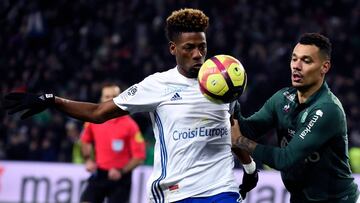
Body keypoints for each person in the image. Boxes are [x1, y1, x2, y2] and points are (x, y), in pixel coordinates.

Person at [3, 8, 258, 202]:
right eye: (189, 47)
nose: (197, 54)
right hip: (174, 192)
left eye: (202, 47)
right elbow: (98, 113)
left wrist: (249, 167)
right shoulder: (158, 85)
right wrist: (53, 100)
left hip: (220, 188)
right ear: (173, 49)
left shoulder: (224, 82)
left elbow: (232, 133)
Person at [233, 33, 360, 202]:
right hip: (300, 198)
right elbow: (249, 129)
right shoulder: (282, 98)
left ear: (325, 67)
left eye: (306, 61)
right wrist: (231, 99)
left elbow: (286, 159)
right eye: (294, 59)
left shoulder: (327, 109)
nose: (296, 66)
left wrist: (241, 141)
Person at [79, 83, 146, 203]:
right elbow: (85, 141)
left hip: (121, 178)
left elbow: (139, 157)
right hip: (100, 173)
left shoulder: (130, 125)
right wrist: (88, 159)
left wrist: (121, 171)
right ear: (101, 99)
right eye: (107, 96)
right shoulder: (93, 121)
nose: (110, 100)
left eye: (114, 96)